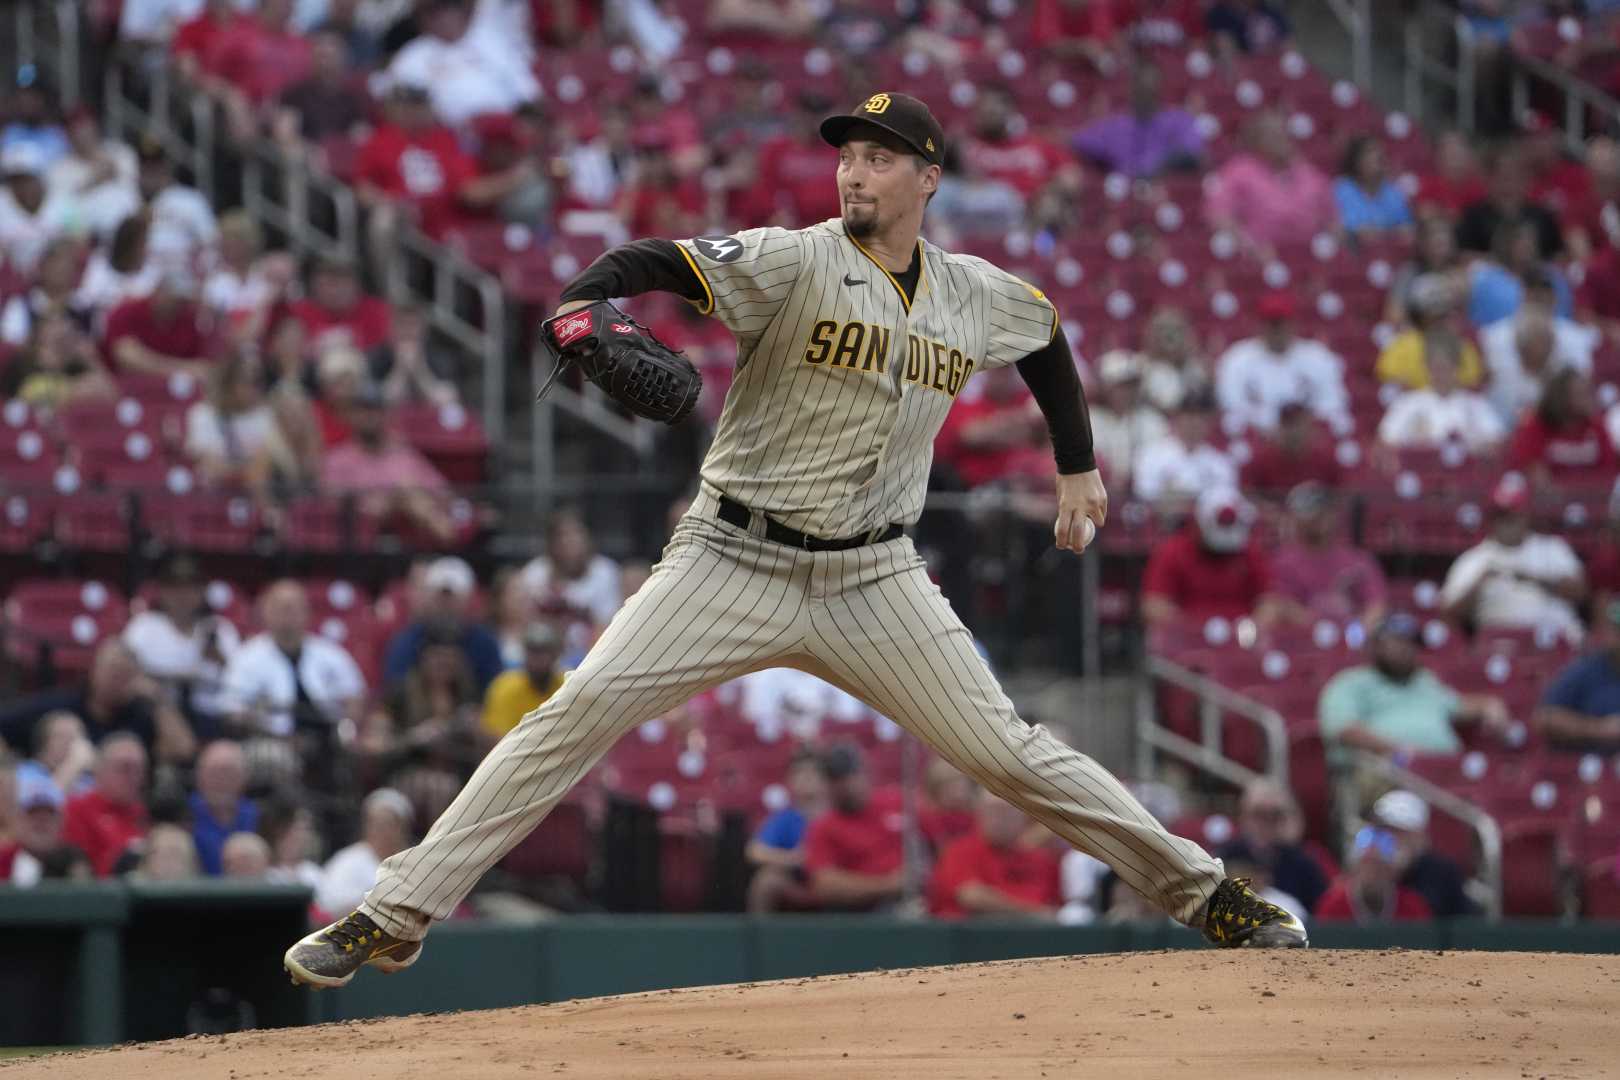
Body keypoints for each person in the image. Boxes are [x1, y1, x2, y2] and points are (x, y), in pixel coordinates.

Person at [285, 91, 1301, 989]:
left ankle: (1207, 895)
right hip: (732, 556)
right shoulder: (793, 257)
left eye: (880, 157)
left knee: (1012, 754)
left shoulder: (972, 293)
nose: (854, 169)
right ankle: (395, 911)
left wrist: (1076, 463)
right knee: (578, 711)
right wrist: (582, 303)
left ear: (927, 179)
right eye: (847, 154)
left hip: (875, 575)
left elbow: (1043, 339)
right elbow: (658, 262)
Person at [1318, 613, 1513, 766]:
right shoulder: (1351, 683)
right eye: (1397, 641)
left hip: (1443, 773)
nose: (1406, 649)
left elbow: (1458, 706)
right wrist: (1400, 751)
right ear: (1375, 646)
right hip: (1388, 773)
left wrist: (1489, 704)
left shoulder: (1424, 681)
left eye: (1412, 643)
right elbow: (1343, 730)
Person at [1438, 475, 1586, 642]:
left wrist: (1533, 579)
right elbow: (1448, 613)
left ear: (1525, 516)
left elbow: (1580, 593)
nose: (1506, 522)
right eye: (1500, 516)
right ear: (1490, 520)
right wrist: (1479, 582)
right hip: (1502, 647)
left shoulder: (1552, 548)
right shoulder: (1474, 559)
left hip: (1558, 640)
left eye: (1512, 515)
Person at [0, 639, 196, 765]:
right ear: (93, 671)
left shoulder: (141, 716)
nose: (116, 680)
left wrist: (159, 700)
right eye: (111, 671)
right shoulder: (59, 705)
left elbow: (184, 750)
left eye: (124, 674)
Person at [221, 579, 367, 742]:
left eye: (294, 608)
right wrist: (268, 731)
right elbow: (232, 710)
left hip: (328, 739)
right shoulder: (246, 658)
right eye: (280, 608)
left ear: (308, 612)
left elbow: (354, 696)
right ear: (264, 612)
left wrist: (345, 729)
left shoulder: (331, 654)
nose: (287, 614)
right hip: (270, 742)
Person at [319, 382, 457, 543]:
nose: (369, 417)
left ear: (386, 415)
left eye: (375, 410)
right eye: (363, 410)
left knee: (410, 492)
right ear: (351, 416)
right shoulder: (337, 459)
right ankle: (452, 544)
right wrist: (391, 500)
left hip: (410, 543)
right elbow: (330, 508)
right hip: (358, 548)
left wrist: (405, 498)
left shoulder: (405, 454)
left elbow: (445, 495)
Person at [123, 552, 241, 734]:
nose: (182, 595)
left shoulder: (219, 628)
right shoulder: (144, 626)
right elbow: (126, 671)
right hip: (155, 713)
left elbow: (240, 680)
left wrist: (219, 658)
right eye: (174, 588)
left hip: (210, 714)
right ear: (162, 591)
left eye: (190, 588)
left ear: (202, 591)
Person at [379, 0, 539, 128]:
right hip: (448, 139)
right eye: (433, 10)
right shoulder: (412, 55)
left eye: (451, 4)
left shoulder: (493, 42)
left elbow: (529, 95)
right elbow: (392, 104)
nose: (444, 15)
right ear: (420, 17)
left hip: (504, 133)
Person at [1141, 487, 1282, 629]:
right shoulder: (1173, 551)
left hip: (1241, 638)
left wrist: (1254, 627)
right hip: (1186, 640)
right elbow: (1154, 605)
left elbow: (1269, 601)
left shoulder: (1250, 551)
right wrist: (1191, 631)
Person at [1214, 291, 1348, 436]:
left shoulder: (1318, 357)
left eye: (1281, 323)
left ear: (1293, 323)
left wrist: (1300, 430)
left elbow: (1332, 404)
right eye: (1271, 323)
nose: (1276, 330)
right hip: (1257, 441)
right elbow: (1231, 406)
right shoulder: (1237, 359)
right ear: (1259, 325)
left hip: (1307, 441)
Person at [1203, 110, 1334, 256]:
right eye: (1275, 135)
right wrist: (1249, 245)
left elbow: (1332, 217)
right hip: (1260, 261)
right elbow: (1218, 215)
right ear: (1256, 141)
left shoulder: (1308, 172)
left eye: (1286, 134)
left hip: (1309, 257)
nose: (1283, 140)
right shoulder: (1237, 171)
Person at [929, 788, 1062, 919]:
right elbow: (971, 897)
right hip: (973, 935)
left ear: (1023, 816)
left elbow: (1058, 907)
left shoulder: (1041, 860)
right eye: (991, 810)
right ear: (979, 813)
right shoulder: (960, 851)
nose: (997, 819)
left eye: (1005, 811)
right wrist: (1032, 913)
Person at [1269, 483, 1387, 628]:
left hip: (1353, 639)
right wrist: (1323, 631)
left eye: (1323, 513)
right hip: (1303, 641)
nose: (1318, 521)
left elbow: (1376, 605)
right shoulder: (1282, 562)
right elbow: (1282, 604)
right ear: (1296, 519)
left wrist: (1357, 632)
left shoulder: (1358, 559)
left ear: (1333, 514)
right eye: (1310, 515)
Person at [382, 557, 504, 693]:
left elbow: (494, 689)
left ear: (467, 599)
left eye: (452, 597)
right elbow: (394, 687)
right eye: (440, 596)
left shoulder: (484, 643)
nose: (446, 604)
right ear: (429, 597)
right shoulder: (408, 640)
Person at [1377, 330, 1506, 453]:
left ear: (1457, 368)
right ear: (1427, 368)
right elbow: (1386, 440)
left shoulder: (1476, 404)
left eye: (1445, 368)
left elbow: (1497, 441)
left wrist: (1475, 447)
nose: (1440, 375)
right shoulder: (1407, 403)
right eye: (1436, 368)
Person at [1072, 61, 1202, 180]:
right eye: (1141, 88)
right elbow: (1080, 141)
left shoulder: (1178, 121)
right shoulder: (1117, 125)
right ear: (1132, 89)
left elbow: (1194, 154)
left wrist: (1160, 166)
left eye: (1150, 89)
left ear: (1159, 89)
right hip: (1124, 191)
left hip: (1163, 188)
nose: (1146, 94)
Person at [1215, 779, 1329, 914]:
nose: (1266, 821)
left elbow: (1320, 918)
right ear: (1243, 816)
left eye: (1275, 814)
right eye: (1258, 814)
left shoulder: (1304, 865)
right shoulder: (1225, 858)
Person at [518, 509, 623, 642]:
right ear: (551, 543)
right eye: (562, 535)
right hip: (546, 651)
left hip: (593, 651)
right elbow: (524, 624)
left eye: (577, 534)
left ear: (588, 539)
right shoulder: (534, 573)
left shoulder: (604, 572)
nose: (569, 542)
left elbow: (609, 624)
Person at [745, 749, 829, 913]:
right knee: (765, 880)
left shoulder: (837, 815)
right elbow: (754, 851)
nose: (806, 779)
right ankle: (762, 936)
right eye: (799, 774)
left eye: (812, 773)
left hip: (835, 878)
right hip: (799, 881)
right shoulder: (786, 818)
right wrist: (793, 859)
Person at [1369, 790, 1476, 919]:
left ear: (1419, 836)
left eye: (1398, 832)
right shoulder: (1369, 868)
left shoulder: (1443, 872)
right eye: (1384, 831)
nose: (1391, 838)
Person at [1375, 273, 1486, 390]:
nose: (1438, 320)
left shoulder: (1462, 346)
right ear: (1420, 315)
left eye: (1442, 314)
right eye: (1432, 314)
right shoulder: (1402, 345)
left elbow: (1471, 383)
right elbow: (1390, 382)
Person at [314, 787, 412, 919]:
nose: (381, 830)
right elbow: (328, 909)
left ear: (402, 828)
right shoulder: (347, 860)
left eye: (388, 824)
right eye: (375, 823)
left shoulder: (412, 861)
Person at [1535, 603, 1620, 754]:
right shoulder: (1589, 667)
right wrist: (1599, 729)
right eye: (1617, 630)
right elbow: (1546, 718)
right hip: (1594, 766)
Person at [1506, 367, 1616, 485]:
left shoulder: (1597, 427)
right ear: (1562, 398)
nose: (1589, 399)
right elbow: (1528, 468)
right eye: (1580, 394)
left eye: (1589, 392)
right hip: (1550, 500)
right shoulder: (1536, 427)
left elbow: (1610, 470)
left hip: (1592, 496)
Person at [60, 734, 150, 877]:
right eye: (124, 768)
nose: (132, 777)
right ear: (99, 768)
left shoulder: (146, 813)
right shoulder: (77, 810)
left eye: (138, 770)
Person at [103, 268, 217, 380]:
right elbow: (126, 358)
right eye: (174, 297)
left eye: (183, 300)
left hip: (171, 391)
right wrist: (182, 369)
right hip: (126, 387)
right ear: (158, 291)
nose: (178, 305)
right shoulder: (127, 311)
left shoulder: (188, 320)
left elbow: (201, 366)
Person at [1131, 389, 1237, 504]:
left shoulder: (1220, 463)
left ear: (1209, 422)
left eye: (1200, 416)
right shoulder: (1151, 455)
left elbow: (1226, 502)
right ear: (1176, 418)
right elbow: (1144, 495)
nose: (1194, 423)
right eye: (1188, 415)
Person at [1086, 351, 1168, 498]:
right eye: (1119, 386)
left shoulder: (1152, 421)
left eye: (1130, 385)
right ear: (1105, 387)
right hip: (1097, 493)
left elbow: (1160, 464)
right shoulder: (1088, 418)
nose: (1125, 392)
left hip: (1143, 495)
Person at [1313, 826, 1432, 923]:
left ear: (1393, 871)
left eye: (1379, 867)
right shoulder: (1332, 906)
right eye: (1367, 865)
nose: (1372, 874)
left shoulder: (1413, 908)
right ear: (1355, 868)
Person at [1456, 153, 1561, 261]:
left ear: (1525, 182)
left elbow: (1558, 256)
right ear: (1489, 181)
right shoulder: (1473, 217)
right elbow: (1463, 255)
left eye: (1513, 178)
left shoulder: (1542, 217)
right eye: (1501, 178)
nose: (1508, 185)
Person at [479, 623, 564, 743]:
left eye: (544, 652)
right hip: (514, 756)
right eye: (533, 651)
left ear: (556, 655)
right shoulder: (505, 685)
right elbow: (496, 736)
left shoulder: (566, 685)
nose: (538, 659)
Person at [1239, 400, 1345, 496]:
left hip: (1318, 515)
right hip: (1276, 514)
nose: (1293, 431)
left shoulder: (1325, 458)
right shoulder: (1262, 459)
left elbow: (1342, 495)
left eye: (1298, 424)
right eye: (1288, 425)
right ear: (1279, 428)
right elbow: (1247, 494)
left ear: (1310, 427)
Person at [0, 141, 75, 275]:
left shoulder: (64, 204)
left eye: (28, 179)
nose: (23, 187)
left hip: (56, 278)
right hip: (12, 282)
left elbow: (80, 245)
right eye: (16, 181)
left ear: (40, 177)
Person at [290, 257, 392, 354]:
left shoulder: (376, 311)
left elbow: (385, 350)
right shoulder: (298, 313)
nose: (336, 291)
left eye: (344, 283)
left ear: (357, 285)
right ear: (315, 286)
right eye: (330, 284)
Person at [189, 739, 257, 875]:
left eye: (228, 773)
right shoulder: (183, 815)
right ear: (199, 776)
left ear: (244, 777)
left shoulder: (259, 817)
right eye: (214, 772)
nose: (221, 781)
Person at [1334, 136, 1413, 239]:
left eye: (1380, 153)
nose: (1378, 156)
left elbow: (1407, 229)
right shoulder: (1342, 189)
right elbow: (1347, 230)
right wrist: (1390, 232)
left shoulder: (1394, 192)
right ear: (1356, 161)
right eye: (1370, 153)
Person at [1137, 306, 1211, 413]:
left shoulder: (1196, 368)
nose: (1170, 336)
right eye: (1163, 330)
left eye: (1176, 330)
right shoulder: (1141, 368)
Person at [0, 772, 67, 887]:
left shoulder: (74, 861)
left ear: (60, 821)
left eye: (48, 814)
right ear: (17, 819)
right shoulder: (3, 860)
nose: (41, 822)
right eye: (32, 814)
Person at [15, 710, 96, 798]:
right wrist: (73, 765)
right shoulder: (23, 774)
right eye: (61, 737)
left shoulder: (86, 779)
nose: (69, 743)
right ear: (42, 742)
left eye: (75, 737)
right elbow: (46, 801)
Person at [259, 796, 324, 889]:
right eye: (295, 829)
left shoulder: (314, 873)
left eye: (306, 829)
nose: (300, 836)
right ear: (278, 830)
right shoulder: (262, 873)